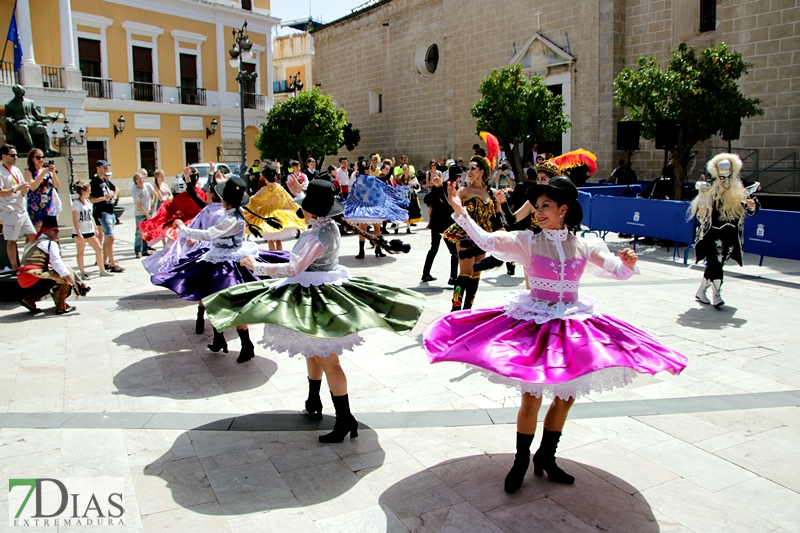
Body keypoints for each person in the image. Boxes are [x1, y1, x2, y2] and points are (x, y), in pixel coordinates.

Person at [425, 177, 688, 493]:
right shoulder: (529, 241)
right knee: (530, 399)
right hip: (535, 323)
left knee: (565, 397)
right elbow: (486, 241)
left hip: (572, 326)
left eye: (545, 206)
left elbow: (615, 269)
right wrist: (459, 212)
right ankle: (521, 460)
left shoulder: (585, 244)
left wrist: (627, 264)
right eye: (537, 207)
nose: (538, 212)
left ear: (564, 210)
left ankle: (546, 457)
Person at [202, 180, 426, 441]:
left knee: (328, 359)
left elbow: (293, 268)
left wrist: (256, 266)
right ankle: (313, 399)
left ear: (311, 210)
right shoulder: (327, 227)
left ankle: (345, 419)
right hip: (318, 294)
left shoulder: (319, 236)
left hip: (317, 299)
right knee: (313, 351)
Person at [151, 176, 289, 361]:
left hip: (227, 266)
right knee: (214, 302)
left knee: (230, 306)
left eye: (223, 197)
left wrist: (184, 229)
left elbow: (210, 234)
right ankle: (219, 339)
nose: (220, 199)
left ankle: (246, 345)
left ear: (227, 200)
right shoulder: (234, 214)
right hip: (218, 260)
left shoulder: (232, 219)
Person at [691, 153, 759, 307]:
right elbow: (701, 207)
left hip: (731, 233)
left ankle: (702, 290)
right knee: (716, 261)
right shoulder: (710, 188)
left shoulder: (740, 186)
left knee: (718, 263)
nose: (725, 180)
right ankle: (717, 295)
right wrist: (702, 212)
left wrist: (752, 205)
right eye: (721, 176)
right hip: (713, 232)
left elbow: (752, 204)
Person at [442, 155, 500, 311]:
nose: (469, 171)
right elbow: (457, 208)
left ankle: (468, 310)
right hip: (466, 235)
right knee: (465, 272)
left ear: (482, 171)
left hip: (482, 237)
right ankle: (455, 310)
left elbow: (498, 216)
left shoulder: (491, 192)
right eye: (468, 168)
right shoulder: (464, 190)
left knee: (476, 273)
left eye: (473, 168)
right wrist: (450, 195)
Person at [17, 215, 89, 314]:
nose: (57, 232)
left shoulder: (32, 243)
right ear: (46, 231)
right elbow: (58, 264)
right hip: (32, 276)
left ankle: (30, 299)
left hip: (23, 277)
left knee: (55, 277)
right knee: (64, 275)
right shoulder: (49, 244)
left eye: (57, 230)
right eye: (53, 230)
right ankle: (61, 306)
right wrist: (73, 282)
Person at [344, 160, 408, 259]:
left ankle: (362, 251)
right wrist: (391, 168)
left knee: (362, 229)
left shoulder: (357, 179)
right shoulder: (371, 179)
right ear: (365, 170)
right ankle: (378, 249)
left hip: (362, 209)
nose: (369, 170)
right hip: (373, 208)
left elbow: (353, 194)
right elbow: (386, 178)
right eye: (368, 168)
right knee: (377, 228)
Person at [245, 164, 307, 251]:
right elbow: (289, 201)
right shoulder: (280, 188)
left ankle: (273, 256)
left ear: (265, 178)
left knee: (270, 240)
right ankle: (280, 255)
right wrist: (296, 209)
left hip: (266, 215)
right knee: (278, 239)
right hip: (279, 215)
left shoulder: (264, 190)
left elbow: (254, 200)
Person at [0, 144, 36, 272]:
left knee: (32, 235)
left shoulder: (16, 170)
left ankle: (24, 260)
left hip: (21, 208)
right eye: (12, 155)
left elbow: (22, 185)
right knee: (11, 240)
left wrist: (24, 189)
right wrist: (16, 189)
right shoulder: (1, 172)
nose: (15, 157)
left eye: (16, 155)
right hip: (10, 209)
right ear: (4, 156)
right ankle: (14, 267)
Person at [421, 166, 459, 284]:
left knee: (434, 249)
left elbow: (428, 201)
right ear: (458, 177)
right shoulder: (450, 187)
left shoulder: (442, 186)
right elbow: (447, 206)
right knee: (454, 252)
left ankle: (426, 273)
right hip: (447, 225)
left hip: (436, 223)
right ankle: (453, 277)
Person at [89, 160, 124, 273]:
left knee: (108, 238)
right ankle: (112, 264)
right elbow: (91, 199)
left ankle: (105, 261)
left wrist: (113, 195)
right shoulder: (94, 182)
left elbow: (115, 189)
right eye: (104, 168)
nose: (106, 169)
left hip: (110, 211)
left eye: (106, 167)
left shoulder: (105, 181)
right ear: (98, 168)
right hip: (102, 212)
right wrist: (104, 198)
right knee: (110, 237)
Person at [71, 181, 110, 279]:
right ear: (83, 191)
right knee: (81, 251)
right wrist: (79, 233)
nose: (90, 192)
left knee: (99, 249)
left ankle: (102, 270)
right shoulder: (76, 203)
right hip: (80, 231)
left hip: (89, 230)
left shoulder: (87, 202)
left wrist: (95, 227)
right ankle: (83, 272)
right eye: (88, 190)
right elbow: (75, 220)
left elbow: (90, 215)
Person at [24, 148, 60, 230]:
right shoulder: (29, 171)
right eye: (38, 157)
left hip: (49, 205)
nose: (41, 159)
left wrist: (53, 173)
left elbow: (56, 185)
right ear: (32, 158)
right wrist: (42, 174)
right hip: (36, 206)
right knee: (39, 234)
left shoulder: (48, 171)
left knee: (52, 233)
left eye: (42, 157)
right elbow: (32, 187)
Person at [132, 172, 158, 258]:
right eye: (138, 179)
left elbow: (156, 194)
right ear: (135, 181)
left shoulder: (148, 186)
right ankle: (137, 251)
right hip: (140, 213)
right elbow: (139, 205)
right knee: (139, 233)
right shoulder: (135, 190)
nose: (141, 180)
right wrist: (147, 215)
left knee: (147, 232)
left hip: (149, 211)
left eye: (142, 178)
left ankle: (145, 250)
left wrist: (154, 204)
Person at [394, 164, 422, 233]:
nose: (405, 170)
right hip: (402, 196)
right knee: (400, 211)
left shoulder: (412, 177)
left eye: (406, 169)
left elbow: (417, 187)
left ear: (408, 169)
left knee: (410, 212)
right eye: (403, 169)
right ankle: (397, 227)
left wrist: (413, 184)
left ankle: (408, 228)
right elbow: (397, 187)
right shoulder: (400, 178)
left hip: (410, 196)